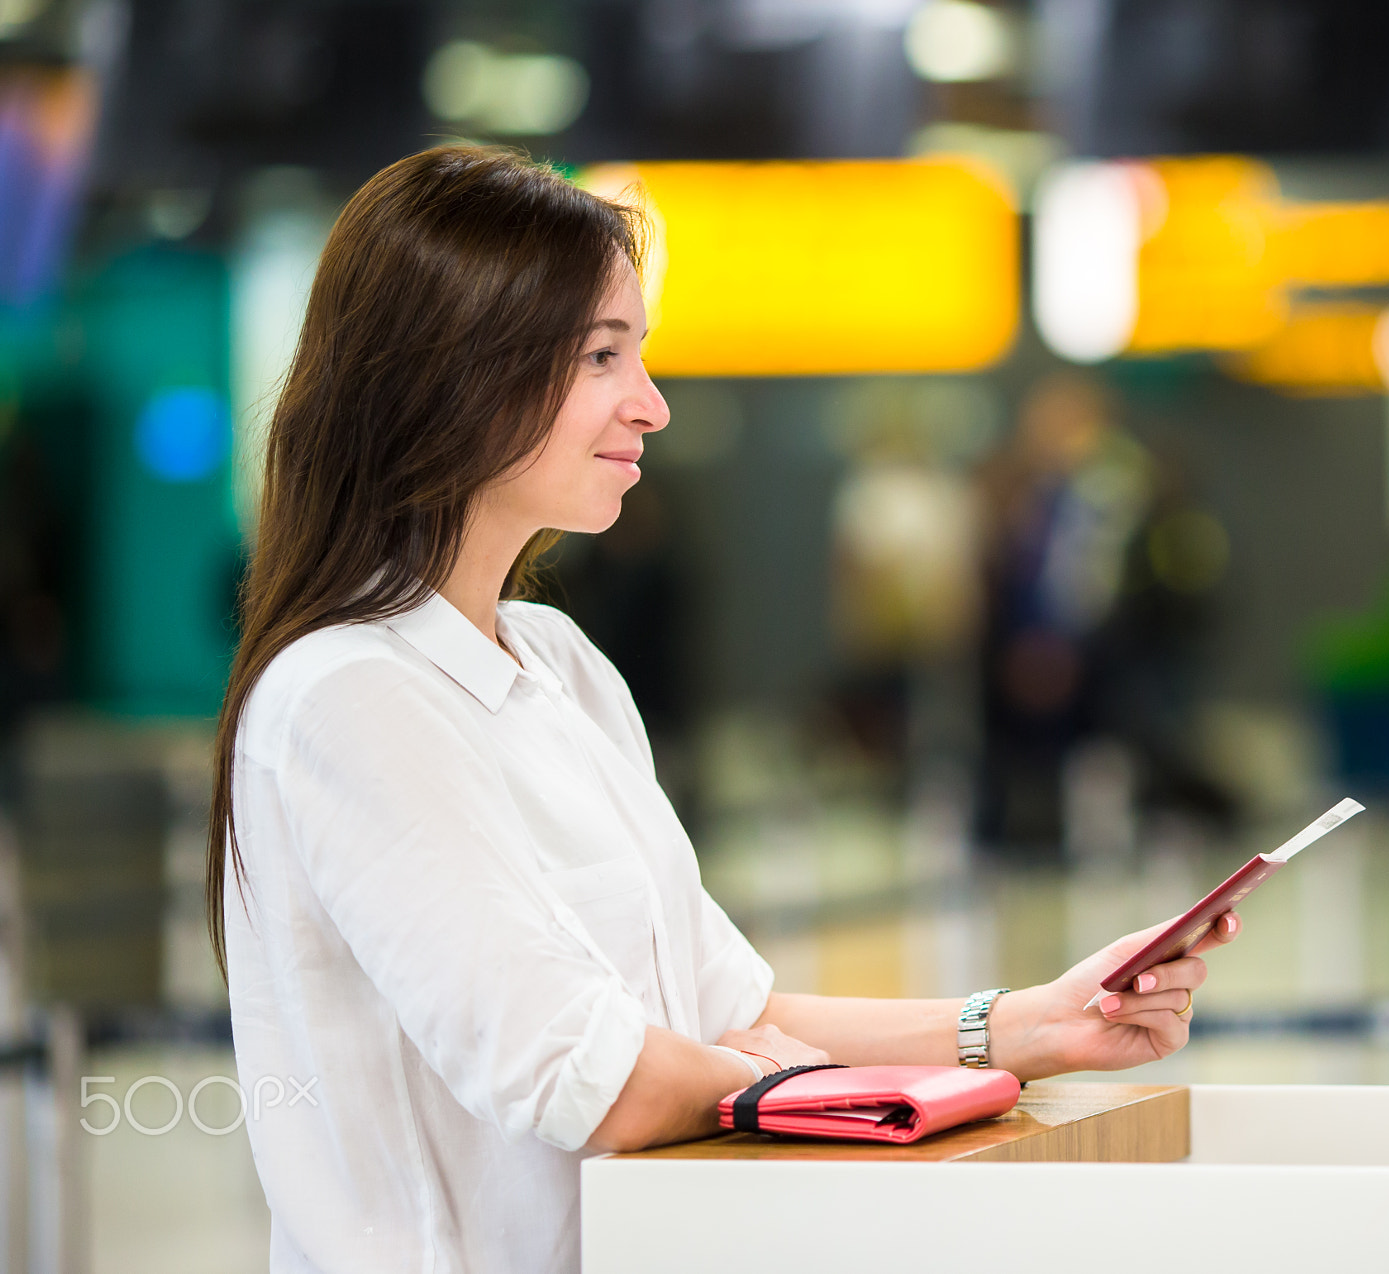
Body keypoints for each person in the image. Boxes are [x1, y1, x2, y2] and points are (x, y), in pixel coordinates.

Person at [206, 146, 1234, 1273]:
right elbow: (598, 1080)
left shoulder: (559, 663)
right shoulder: (348, 697)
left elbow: (720, 1008)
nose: (648, 404)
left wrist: (1031, 1023)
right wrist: (814, 1085)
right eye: (603, 355)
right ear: (456, 371)